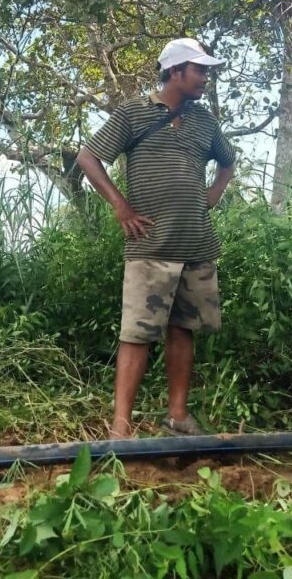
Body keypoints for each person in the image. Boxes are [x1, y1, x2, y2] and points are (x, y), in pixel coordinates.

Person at [76, 37, 235, 439]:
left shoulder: (204, 121)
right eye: (199, 71)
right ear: (175, 71)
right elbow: (88, 157)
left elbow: (228, 160)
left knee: (182, 329)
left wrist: (214, 192)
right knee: (136, 335)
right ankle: (120, 428)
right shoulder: (134, 112)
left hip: (196, 244)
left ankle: (177, 415)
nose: (206, 78)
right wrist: (121, 206)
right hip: (151, 243)